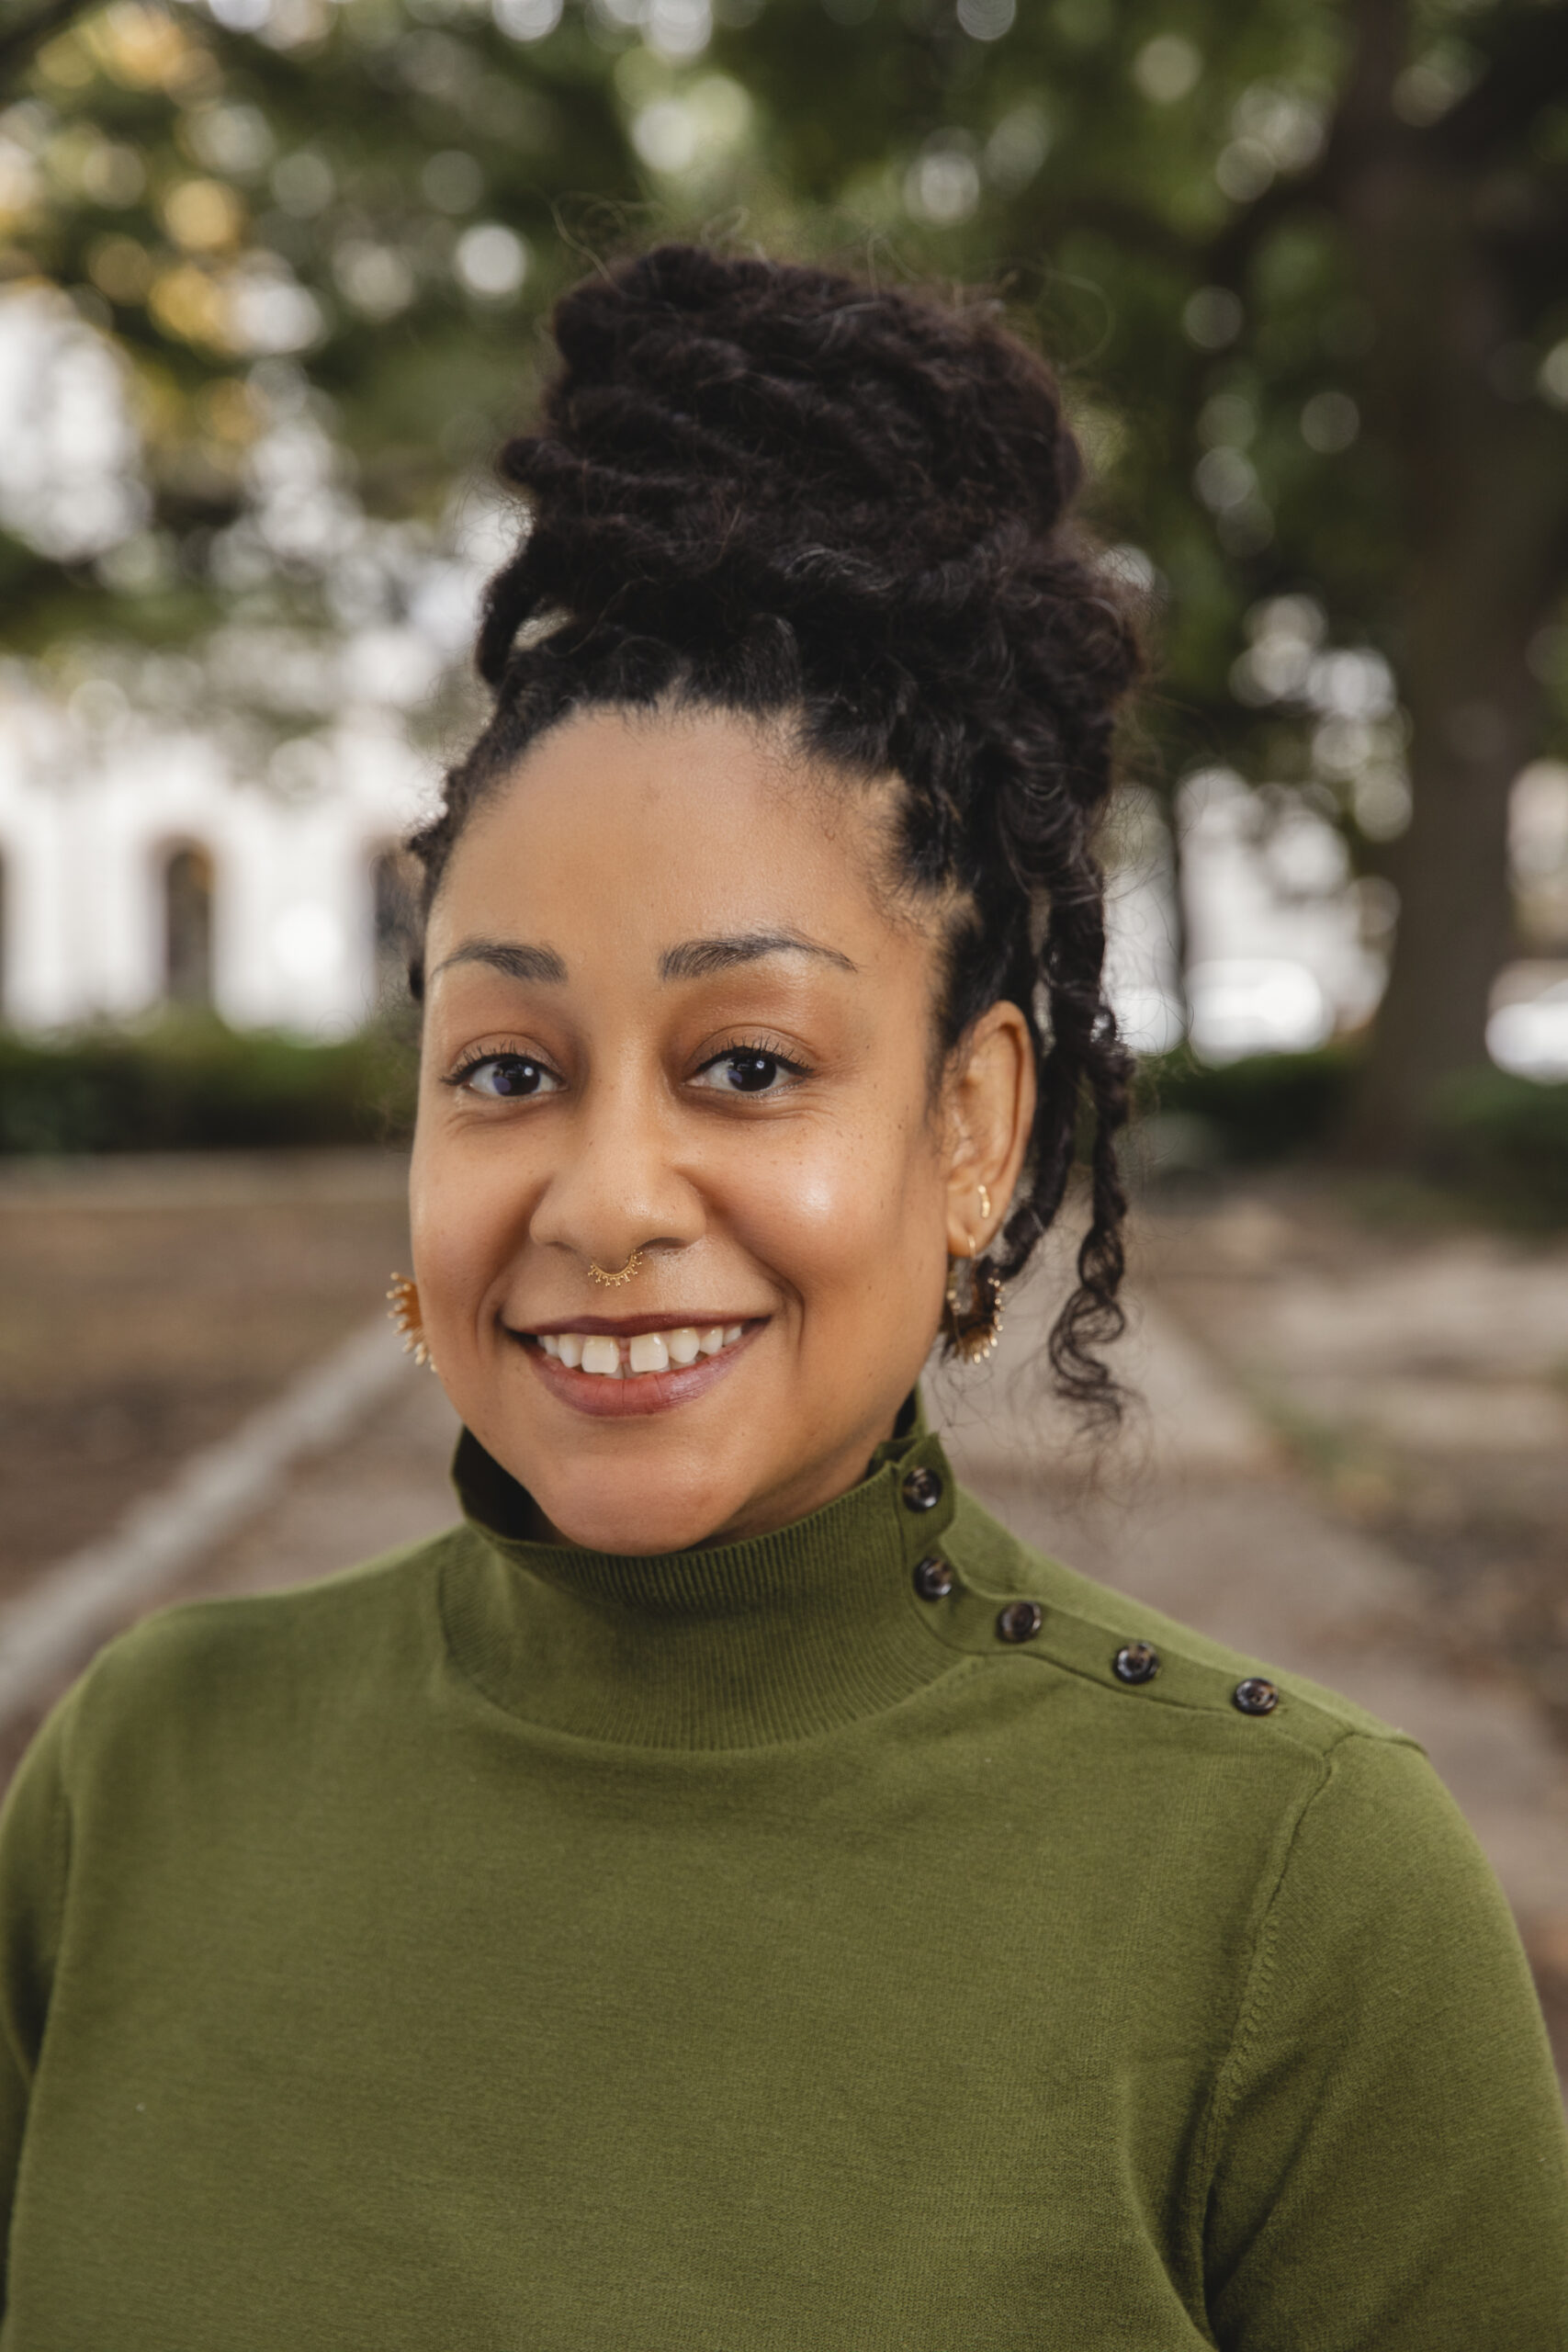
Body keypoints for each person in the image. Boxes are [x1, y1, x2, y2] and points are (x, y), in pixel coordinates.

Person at [1, 244, 1563, 2348]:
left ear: (971, 1125)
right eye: (505, 1070)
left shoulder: (1295, 1893)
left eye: (748, 1061)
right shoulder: (137, 1780)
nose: (607, 1196)